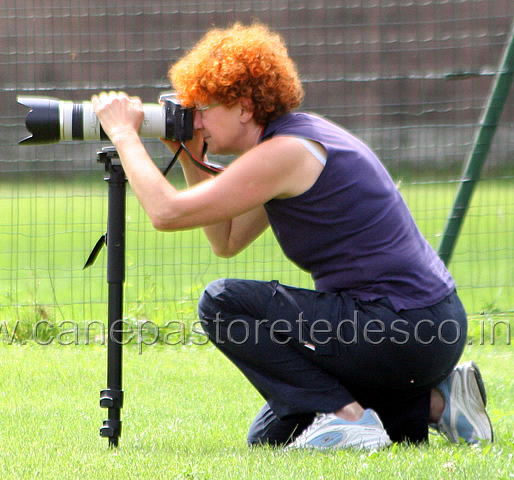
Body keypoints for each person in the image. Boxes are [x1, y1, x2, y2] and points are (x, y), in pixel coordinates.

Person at [92, 23, 493, 450]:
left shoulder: (285, 153)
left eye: (203, 107)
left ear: (244, 107)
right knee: (269, 437)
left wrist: (123, 133)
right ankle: (438, 403)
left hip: (404, 325)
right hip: (417, 327)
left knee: (220, 302)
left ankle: (348, 417)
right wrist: (191, 154)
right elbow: (225, 241)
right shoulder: (291, 141)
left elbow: (166, 213)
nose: (197, 118)